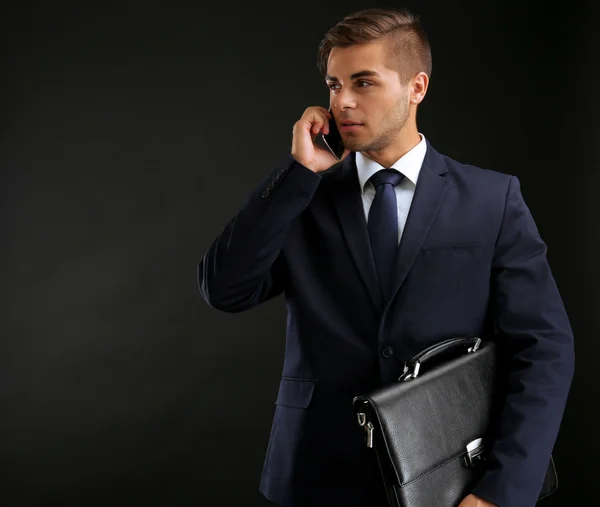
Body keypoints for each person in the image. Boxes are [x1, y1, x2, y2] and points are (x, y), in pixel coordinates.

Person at [197, 7, 574, 507]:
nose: (343, 101)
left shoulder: (492, 199)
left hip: (449, 473)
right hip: (316, 474)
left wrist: (501, 491)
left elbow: (544, 348)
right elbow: (225, 289)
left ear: (416, 87)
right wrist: (298, 174)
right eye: (333, 85)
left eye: (363, 82)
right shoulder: (304, 198)